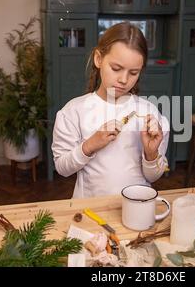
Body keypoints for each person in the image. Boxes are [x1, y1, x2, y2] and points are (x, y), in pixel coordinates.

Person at [52, 22, 170, 198]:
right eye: (116, 68)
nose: (123, 79)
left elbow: (153, 176)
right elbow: (62, 168)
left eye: (133, 73)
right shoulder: (73, 111)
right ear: (98, 59)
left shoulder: (150, 114)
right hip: (90, 209)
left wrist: (151, 153)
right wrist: (90, 145)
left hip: (136, 206)